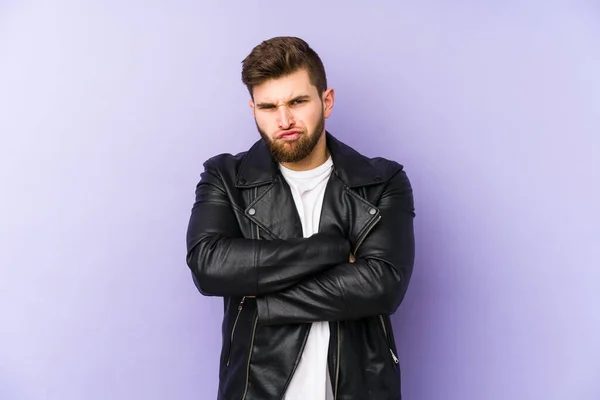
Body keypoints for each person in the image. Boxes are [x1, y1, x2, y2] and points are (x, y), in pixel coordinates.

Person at [185, 36, 415, 400]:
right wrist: (332, 249)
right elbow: (209, 266)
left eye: (297, 101)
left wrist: (262, 298)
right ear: (253, 109)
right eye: (268, 106)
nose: (284, 119)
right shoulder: (225, 177)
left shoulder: (381, 181)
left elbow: (382, 286)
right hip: (255, 390)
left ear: (326, 101)